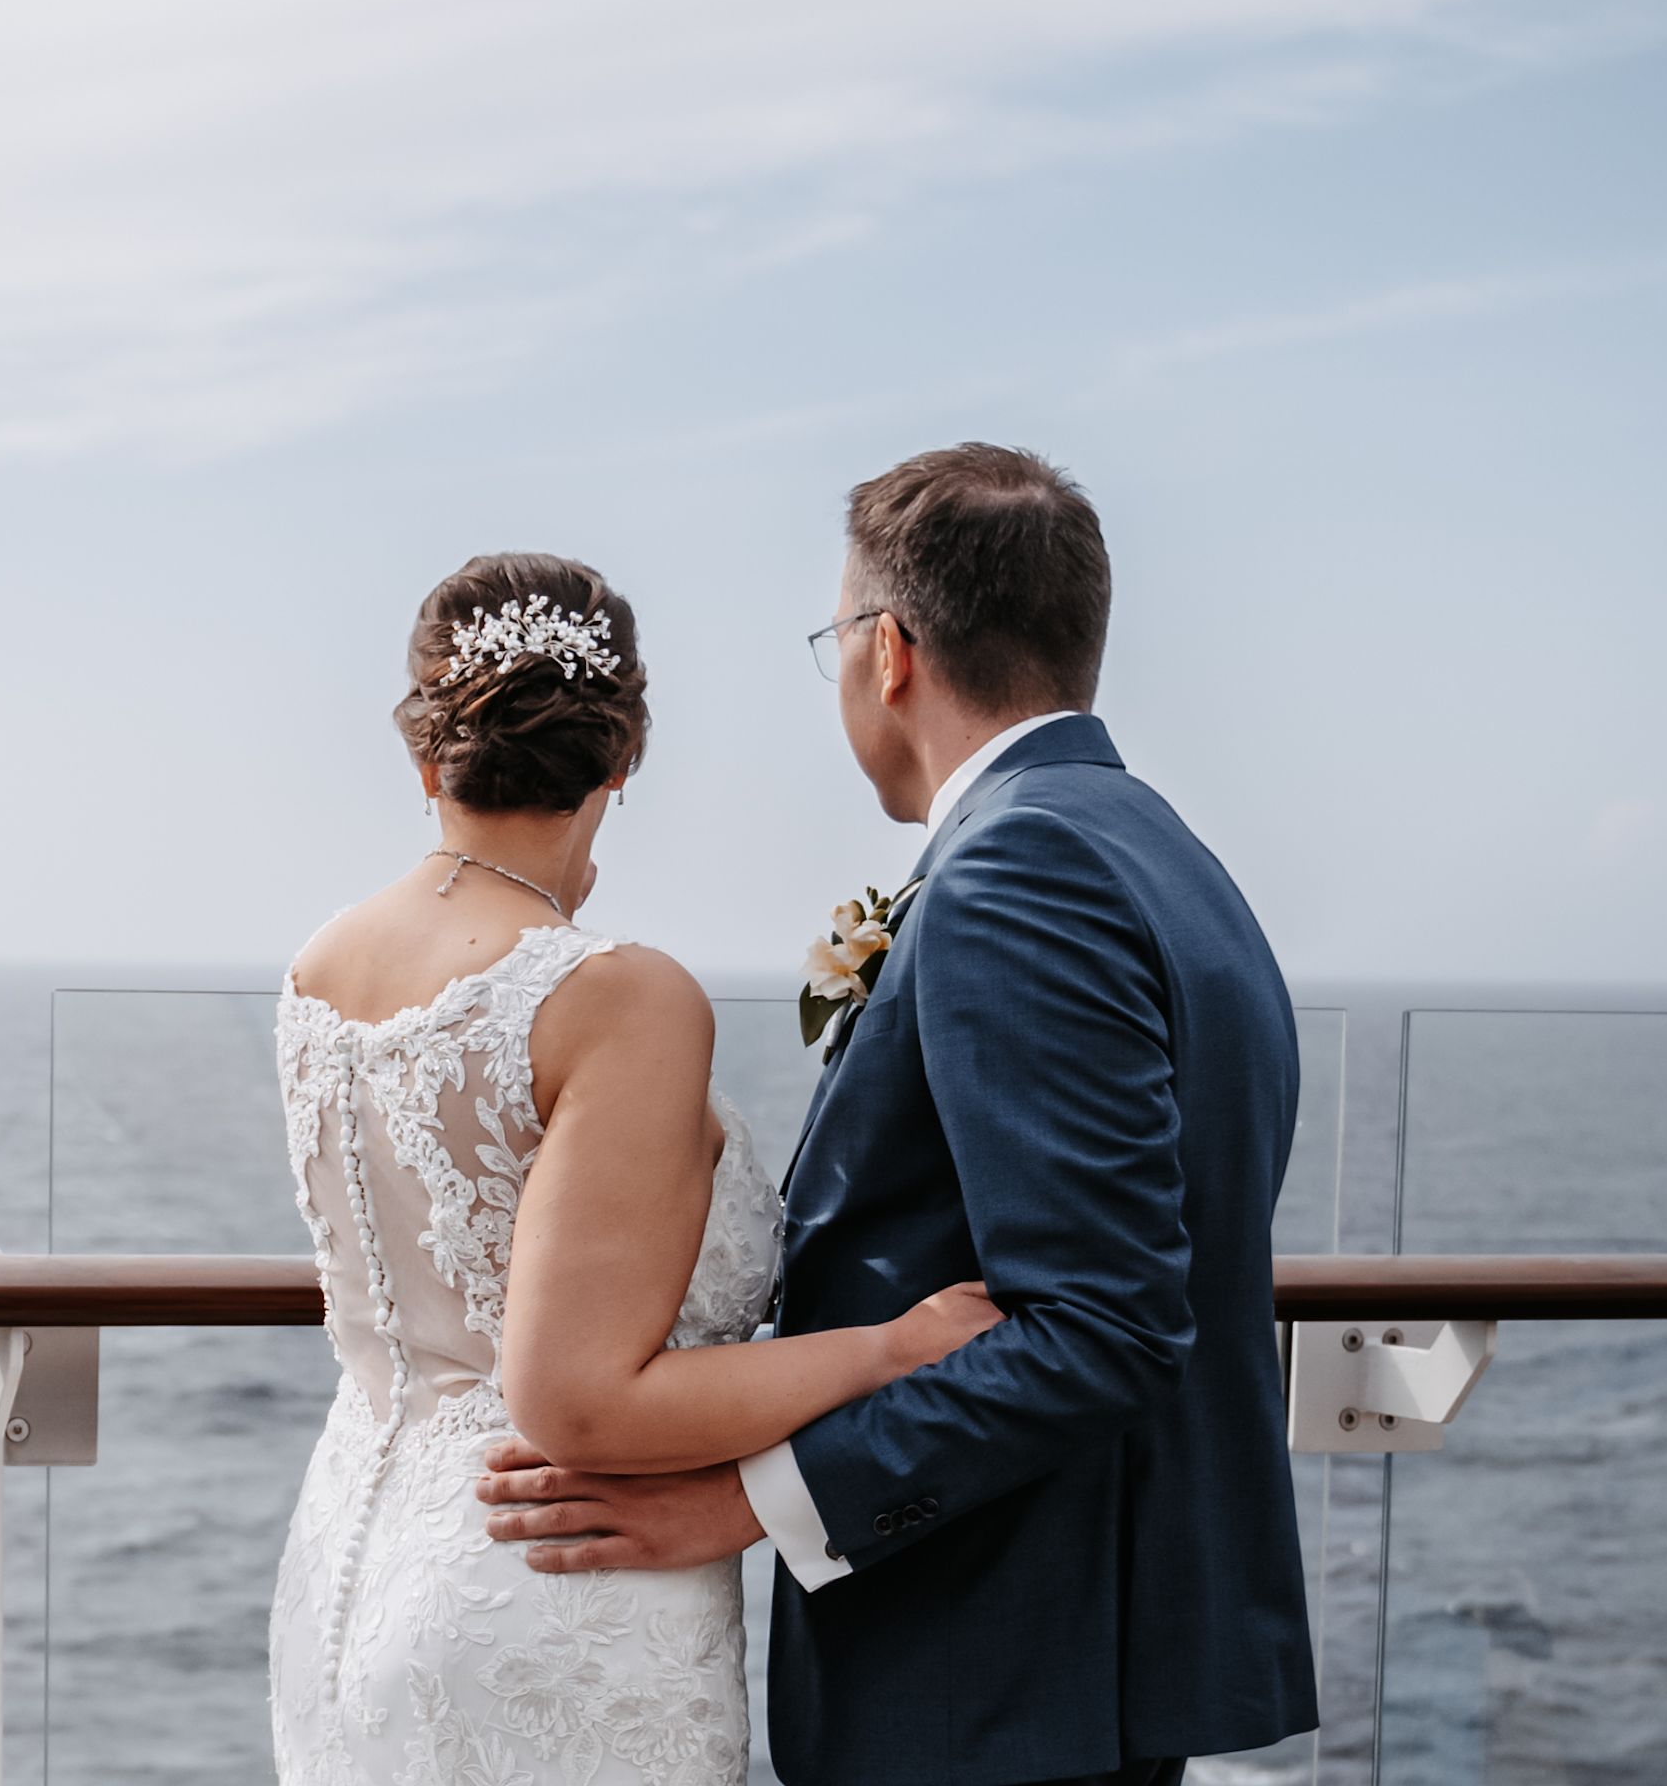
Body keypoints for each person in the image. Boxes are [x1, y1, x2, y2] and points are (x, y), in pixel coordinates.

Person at [470, 445, 1319, 1786]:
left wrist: (748, 1501)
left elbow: (1103, 1327)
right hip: (1085, 1664)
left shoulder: (1019, 876)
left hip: (998, 1675)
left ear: (892, 652)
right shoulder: (1164, 854)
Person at [268, 550, 1002, 1786]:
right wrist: (888, 1350)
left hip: (348, 1566)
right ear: (625, 758)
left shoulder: (319, 965)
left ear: (424, 750)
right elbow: (582, 1403)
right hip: (551, 1586)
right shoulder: (614, 996)